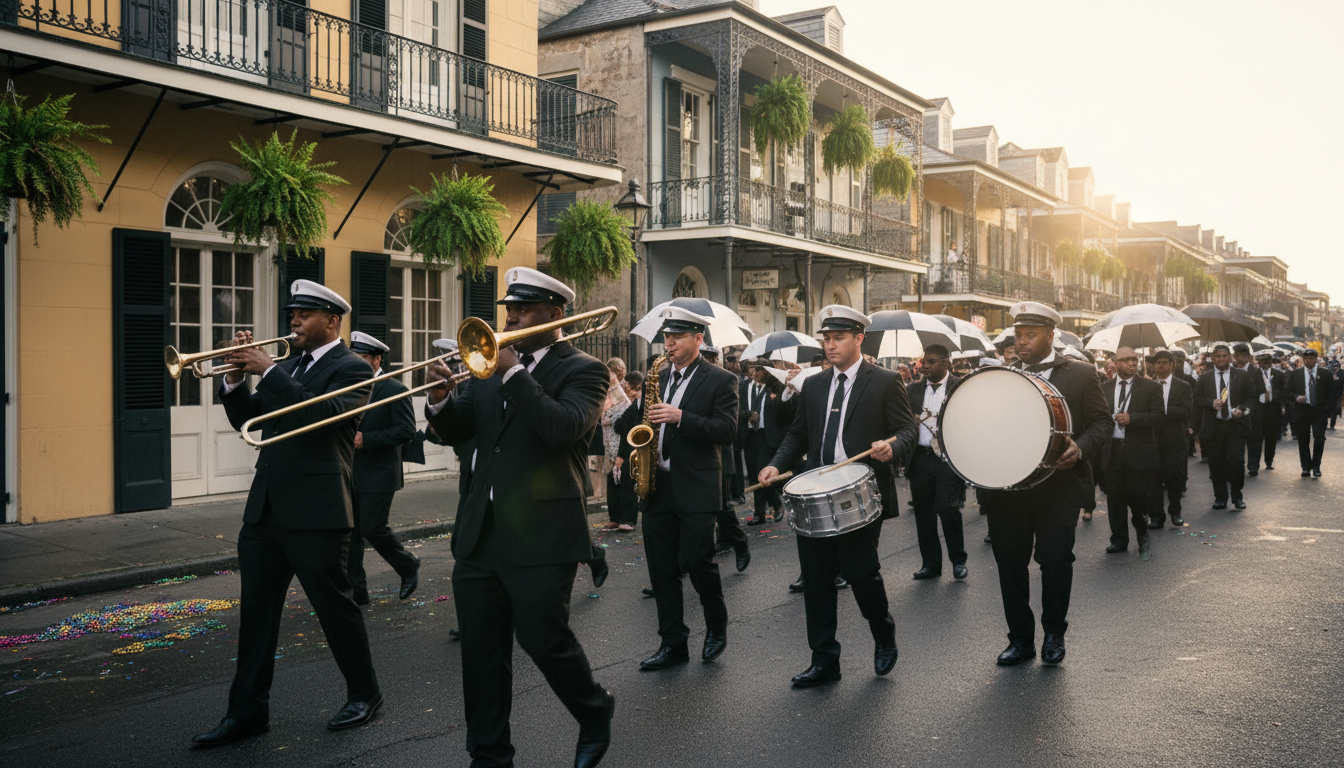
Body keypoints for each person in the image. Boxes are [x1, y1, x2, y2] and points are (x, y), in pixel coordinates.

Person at [423, 267, 615, 768]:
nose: (509, 319)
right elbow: (460, 431)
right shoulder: (488, 367)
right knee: (481, 653)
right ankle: (489, 756)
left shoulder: (585, 370)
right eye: (508, 310)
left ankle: (594, 711)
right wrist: (440, 400)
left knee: (543, 640)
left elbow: (562, 429)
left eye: (523, 310)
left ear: (555, 315)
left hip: (544, 533)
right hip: (481, 532)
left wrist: (512, 374)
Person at [194, 280, 382, 747]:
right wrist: (235, 379)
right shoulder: (292, 364)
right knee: (256, 616)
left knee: (335, 609)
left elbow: (322, 418)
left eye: (304, 314)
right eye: (292, 313)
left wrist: (268, 370)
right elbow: (249, 420)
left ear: (332, 321)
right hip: (266, 511)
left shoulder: (353, 367)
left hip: (318, 510)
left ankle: (365, 694)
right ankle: (246, 713)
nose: (293, 320)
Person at [758, 305, 916, 687]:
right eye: (826, 339)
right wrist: (776, 465)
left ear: (858, 339)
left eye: (838, 338)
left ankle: (883, 635)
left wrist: (892, 447)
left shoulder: (885, 381)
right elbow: (798, 434)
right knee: (816, 581)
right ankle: (825, 660)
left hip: (860, 494)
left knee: (861, 574)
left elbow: (907, 430)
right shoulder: (813, 384)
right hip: (815, 494)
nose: (830, 345)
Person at [981, 302, 1110, 667]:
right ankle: (1020, 640)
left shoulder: (1081, 373)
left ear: (1051, 336)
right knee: (1010, 564)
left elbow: (1101, 423)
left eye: (1030, 335)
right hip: (1009, 488)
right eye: (1018, 335)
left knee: (1055, 560)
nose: (1021, 342)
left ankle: (1054, 634)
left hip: (1058, 486)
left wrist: (1080, 449)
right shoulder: (1003, 376)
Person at [637, 308, 740, 672]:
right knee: (661, 569)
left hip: (697, 485)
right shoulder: (658, 376)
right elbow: (641, 424)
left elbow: (726, 430)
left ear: (698, 339)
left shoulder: (722, 380)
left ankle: (716, 626)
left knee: (698, 561)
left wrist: (681, 417)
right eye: (666, 337)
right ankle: (672, 643)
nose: (669, 344)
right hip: (658, 485)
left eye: (677, 337)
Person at [345, 331, 420, 605]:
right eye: (353, 358)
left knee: (372, 528)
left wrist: (368, 439)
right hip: (349, 470)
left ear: (377, 359)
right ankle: (356, 592)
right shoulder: (349, 386)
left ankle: (407, 565)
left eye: (362, 358)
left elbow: (406, 430)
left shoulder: (394, 389)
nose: (356, 363)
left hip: (379, 474)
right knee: (350, 534)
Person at [905, 344, 967, 580]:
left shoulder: (960, 387)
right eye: (924, 362)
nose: (925, 366)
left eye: (932, 362)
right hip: (920, 458)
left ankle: (958, 560)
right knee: (923, 514)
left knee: (947, 507)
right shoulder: (912, 390)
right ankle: (931, 565)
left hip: (948, 459)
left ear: (946, 363)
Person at [1100, 347, 1163, 560]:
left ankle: (1143, 536)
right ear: (1115, 363)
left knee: (1138, 498)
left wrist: (1132, 418)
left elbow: (1158, 416)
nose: (1132, 363)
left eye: (1134, 359)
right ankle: (1119, 539)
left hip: (1138, 451)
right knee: (1114, 498)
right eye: (1126, 360)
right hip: (1113, 452)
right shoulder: (1105, 388)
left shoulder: (1150, 387)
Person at [701, 344, 751, 571]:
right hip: (692, 454)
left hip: (718, 455)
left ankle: (739, 542)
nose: (706, 361)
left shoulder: (724, 380)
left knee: (721, 508)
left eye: (709, 357)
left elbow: (727, 423)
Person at [1194, 343, 1257, 509]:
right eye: (1218, 356)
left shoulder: (1241, 375)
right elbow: (1197, 399)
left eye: (1224, 356)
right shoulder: (1205, 378)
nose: (1221, 359)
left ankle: (1237, 496)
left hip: (1236, 425)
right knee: (1216, 463)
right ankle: (1220, 497)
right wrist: (1211, 403)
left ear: (1230, 357)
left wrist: (1242, 410)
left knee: (1236, 461)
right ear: (1212, 359)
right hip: (1214, 426)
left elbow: (1252, 397)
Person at [1148, 350, 1192, 529]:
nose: (1160, 366)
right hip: (1152, 439)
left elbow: (1186, 412)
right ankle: (1156, 515)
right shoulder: (1147, 385)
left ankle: (1175, 511)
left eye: (1164, 362)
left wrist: (1163, 409)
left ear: (1172, 364)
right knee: (1154, 478)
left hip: (1174, 439)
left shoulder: (1183, 386)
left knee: (1174, 477)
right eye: (1157, 363)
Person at [742, 361, 787, 526]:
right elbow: (737, 407)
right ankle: (759, 513)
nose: (754, 373)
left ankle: (776, 504)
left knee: (762, 473)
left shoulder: (775, 388)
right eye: (753, 370)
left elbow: (782, 413)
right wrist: (747, 415)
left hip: (765, 436)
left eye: (759, 370)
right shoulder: (743, 387)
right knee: (753, 475)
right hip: (749, 435)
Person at [1286, 347, 1330, 478]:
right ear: (1303, 360)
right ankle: (1305, 467)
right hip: (1302, 410)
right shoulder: (1296, 374)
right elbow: (1287, 391)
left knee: (1319, 437)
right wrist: (1296, 397)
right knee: (1303, 439)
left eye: (1311, 359)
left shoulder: (1325, 374)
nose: (1309, 361)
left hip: (1319, 411)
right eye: (1306, 359)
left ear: (1316, 360)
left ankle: (1316, 466)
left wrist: (1327, 409)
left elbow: (1332, 393)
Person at [599, 358, 632, 531]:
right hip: (608, 439)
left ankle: (626, 518)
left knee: (622, 478)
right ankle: (615, 517)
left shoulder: (622, 392)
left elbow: (624, 414)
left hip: (619, 440)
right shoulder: (608, 390)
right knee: (611, 479)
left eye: (610, 373)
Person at [611, 371, 645, 532]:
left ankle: (629, 519)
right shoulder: (635, 404)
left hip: (638, 448)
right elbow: (620, 426)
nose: (626, 391)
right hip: (632, 447)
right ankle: (625, 519)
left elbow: (621, 425)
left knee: (629, 481)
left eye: (628, 387)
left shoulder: (639, 403)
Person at [1248, 350, 1286, 474]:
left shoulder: (1279, 374)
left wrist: (1274, 397)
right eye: (1262, 362)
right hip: (1257, 410)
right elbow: (1249, 391)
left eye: (1267, 361)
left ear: (1271, 362)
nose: (1265, 364)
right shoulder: (1252, 375)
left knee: (1271, 437)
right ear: (1258, 363)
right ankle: (1253, 465)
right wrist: (1260, 396)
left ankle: (1269, 459)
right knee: (1255, 437)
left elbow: (1284, 391)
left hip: (1273, 409)